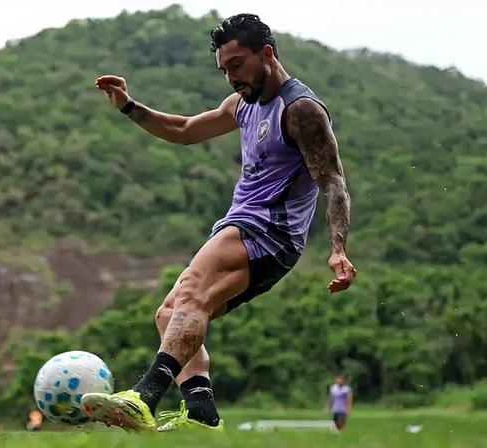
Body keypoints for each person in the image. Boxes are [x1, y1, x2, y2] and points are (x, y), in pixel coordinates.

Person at [82, 13, 356, 432]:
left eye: (237, 65)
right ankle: (203, 417)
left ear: (267, 54)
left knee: (191, 294)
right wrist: (129, 106)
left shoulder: (300, 109)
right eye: (224, 69)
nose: (231, 77)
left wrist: (338, 249)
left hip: (267, 230)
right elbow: (184, 129)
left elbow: (333, 181)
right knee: (170, 313)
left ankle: (143, 397)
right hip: (250, 231)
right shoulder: (241, 104)